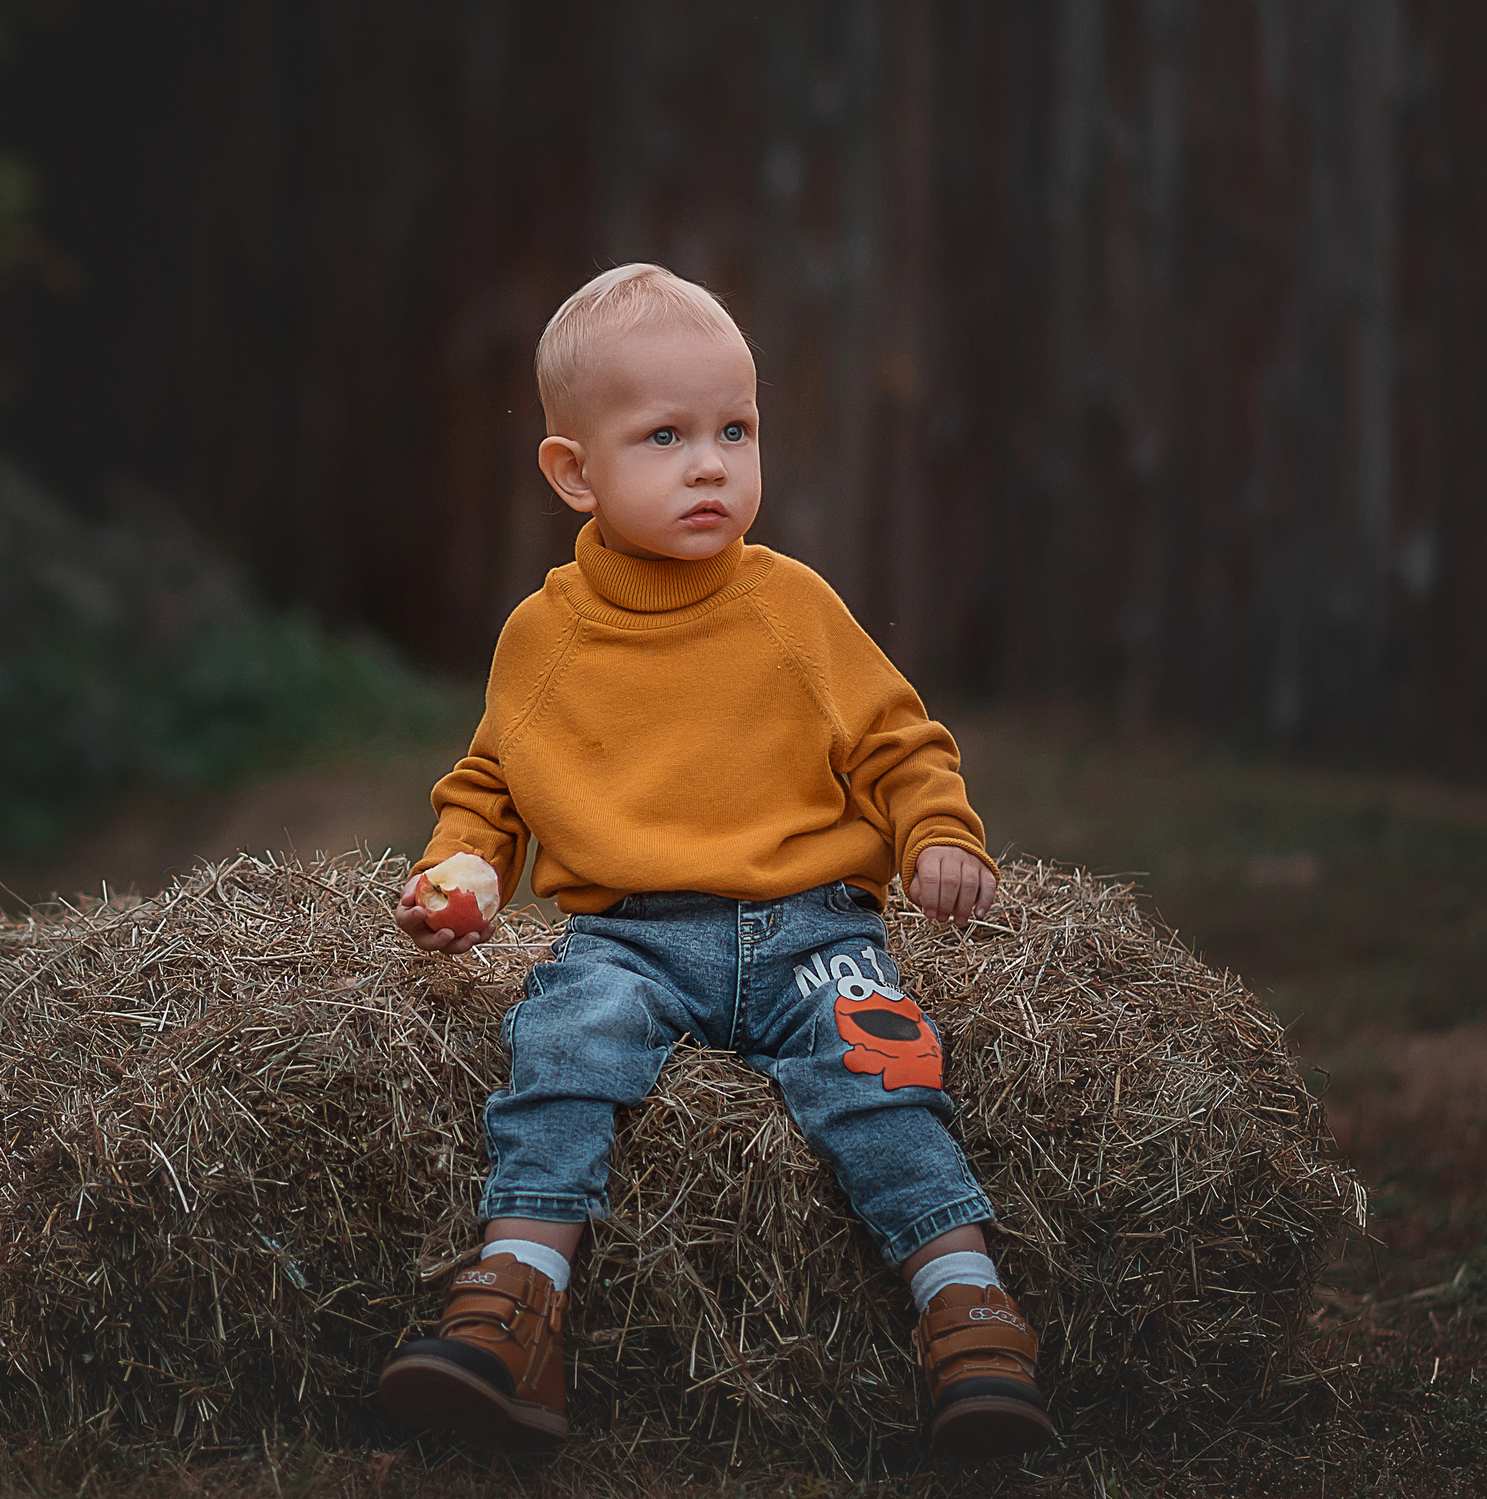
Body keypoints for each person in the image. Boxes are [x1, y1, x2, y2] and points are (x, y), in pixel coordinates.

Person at [374, 264, 1054, 1461]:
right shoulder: (546, 635)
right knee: (560, 1047)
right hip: (629, 937)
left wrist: (938, 833)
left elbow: (899, 739)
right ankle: (517, 1299)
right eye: (666, 436)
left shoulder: (790, 606)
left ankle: (968, 1309)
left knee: (879, 1071)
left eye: (735, 430)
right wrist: (464, 872)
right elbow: (488, 786)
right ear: (573, 472)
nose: (710, 463)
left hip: (814, 927)